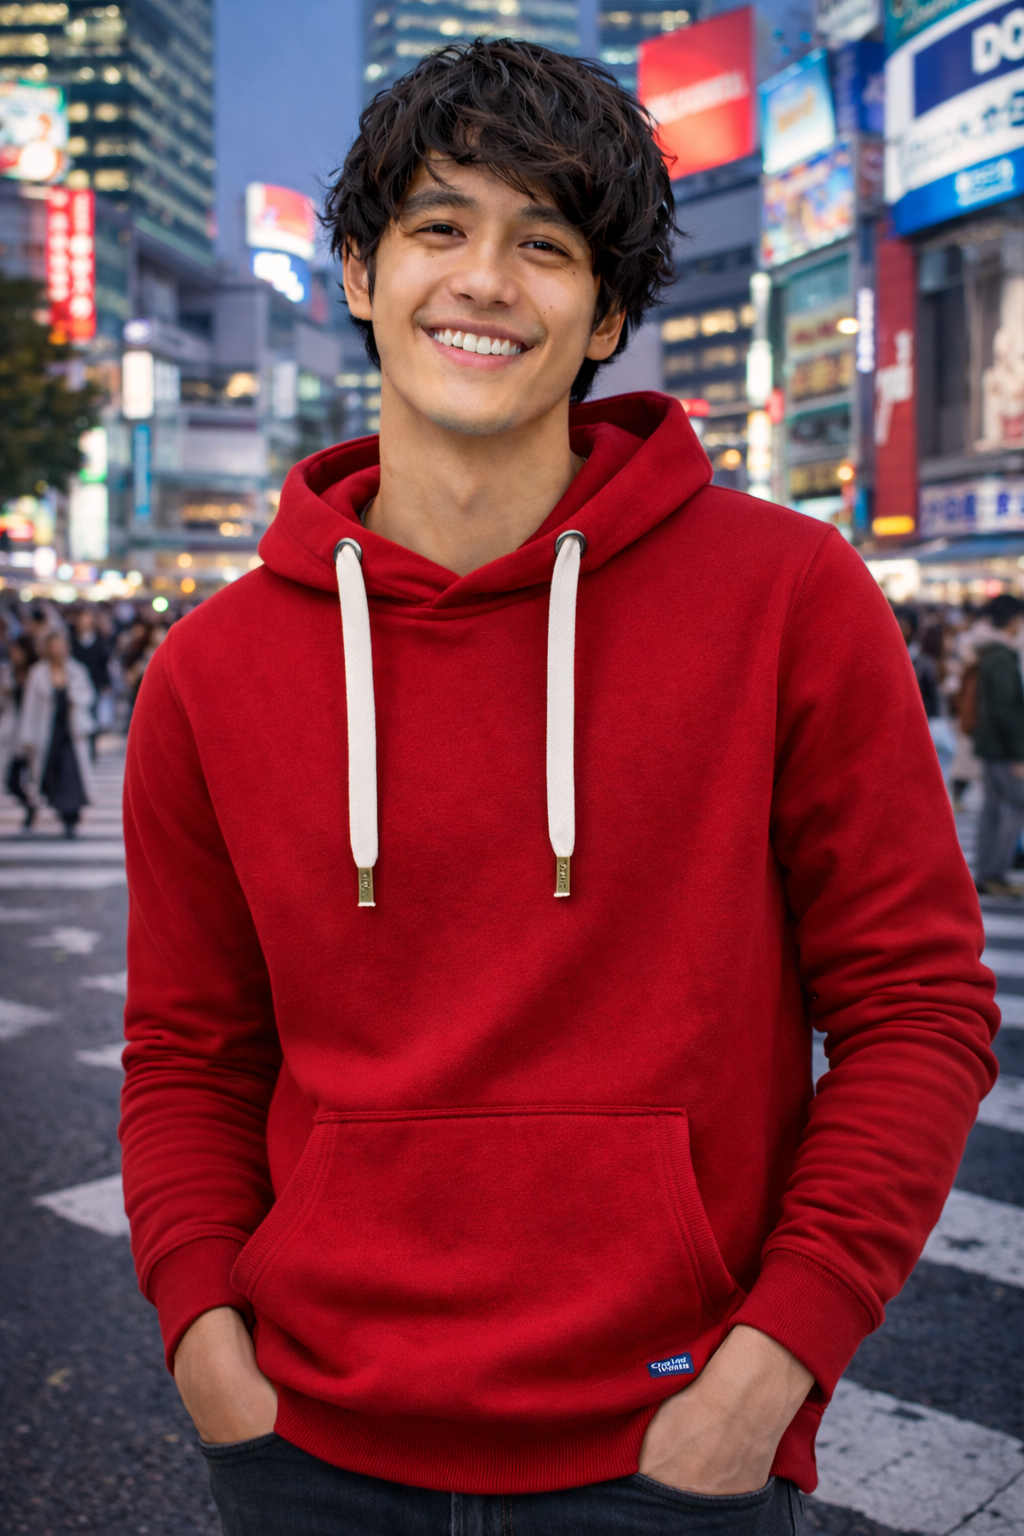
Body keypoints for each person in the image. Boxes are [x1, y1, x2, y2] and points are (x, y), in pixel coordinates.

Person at [120, 41, 998, 1536]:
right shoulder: (208, 670)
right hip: (303, 1451)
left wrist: (773, 1367)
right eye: (439, 228)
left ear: (604, 314)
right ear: (355, 269)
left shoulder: (789, 596)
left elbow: (919, 1006)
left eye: (547, 245)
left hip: (675, 1448)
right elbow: (190, 1058)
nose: (485, 281)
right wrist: (210, 1343)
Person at [972, 593, 1024, 897]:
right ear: (1014, 619)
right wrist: (1019, 753)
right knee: (1017, 804)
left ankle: (985, 872)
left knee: (991, 810)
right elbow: (1007, 710)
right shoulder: (1003, 658)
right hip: (1003, 748)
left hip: (987, 745)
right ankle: (994, 871)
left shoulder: (989, 655)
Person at [19, 629, 94, 838]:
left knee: (72, 774)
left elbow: (88, 696)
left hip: (71, 732)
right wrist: (27, 736)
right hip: (47, 733)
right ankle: (54, 810)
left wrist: (74, 697)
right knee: (50, 774)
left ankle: (71, 815)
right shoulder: (37, 673)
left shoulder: (77, 670)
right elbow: (30, 707)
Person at [0, 632, 38, 829]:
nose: (14, 654)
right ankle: (30, 805)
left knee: (37, 774)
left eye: (17, 651)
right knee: (11, 779)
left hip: (34, 731)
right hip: (13, 733)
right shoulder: (9, 673)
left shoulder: (37, 672)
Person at [71, 605, 115, 753]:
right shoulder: (72, 640)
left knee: (92, 716)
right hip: (75, 684)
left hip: (94, 682)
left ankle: (91, 747)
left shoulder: (99, 641)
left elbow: (104, 664)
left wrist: (106, 683)